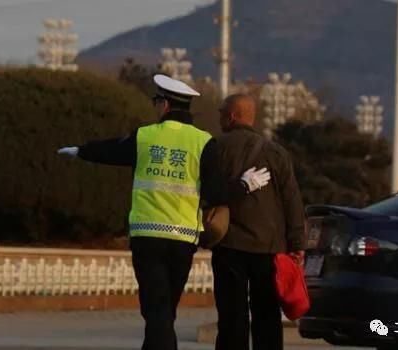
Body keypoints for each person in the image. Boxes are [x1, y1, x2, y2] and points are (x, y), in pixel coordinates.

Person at [57, 75, 270, 350]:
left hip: (148, 237)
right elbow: (216, 193)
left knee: (156, 310)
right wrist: (245, 185)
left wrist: (80, 151)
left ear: (165, 105)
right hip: (182, 241)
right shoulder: (203, 142)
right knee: (165, 309)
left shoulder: (145, 136)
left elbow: (112, 150)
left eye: (157, 101)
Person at [210, 94, 306, 350]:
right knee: (267, 315)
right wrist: (297, 243)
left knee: (231, 316)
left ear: (231, 116)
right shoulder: (276, 152)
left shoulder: (215, 147)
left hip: (228, 244)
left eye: (221, 113)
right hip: (269, 248)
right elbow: (292, 200)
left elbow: (207, 192)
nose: (219, 118)